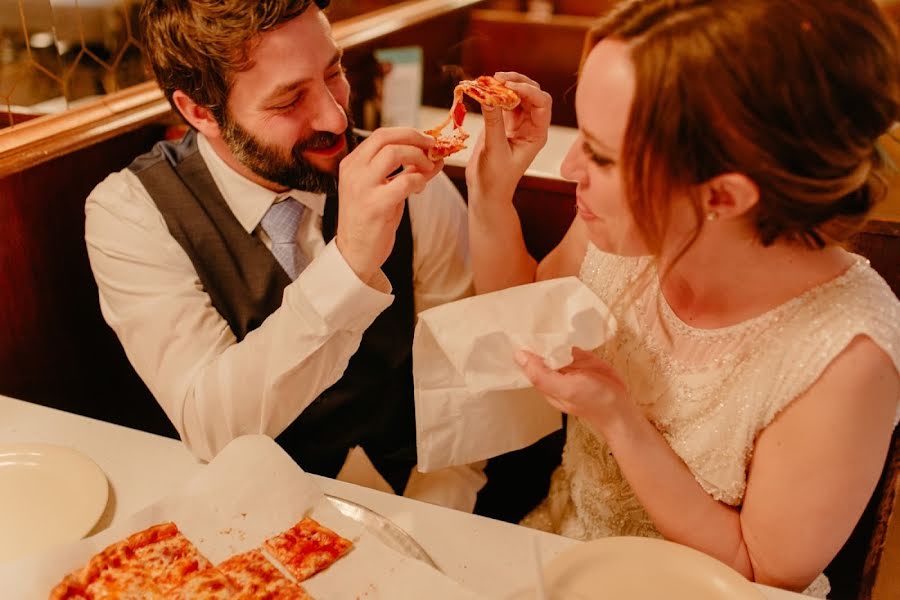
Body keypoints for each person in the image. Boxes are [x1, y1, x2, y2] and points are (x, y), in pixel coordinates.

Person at [465, 0, 900, 595]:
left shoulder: (849, 356)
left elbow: (761, 574)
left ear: (722, 197)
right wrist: (492, 197)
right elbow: (524, 325)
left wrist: (620, 419)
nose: (569, 167)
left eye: (601, 154)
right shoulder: (630, 227)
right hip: (557, 560)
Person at [84, 0, 485, 511]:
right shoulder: (131, 212)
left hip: (415, 494)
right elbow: (213, 429)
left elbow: (461, 374)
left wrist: (437, 515)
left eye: (333, 71)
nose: (336, 117)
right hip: (247, 518)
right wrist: (349, 264)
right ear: (199, 111)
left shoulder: (408, 181)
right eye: (288, 100)